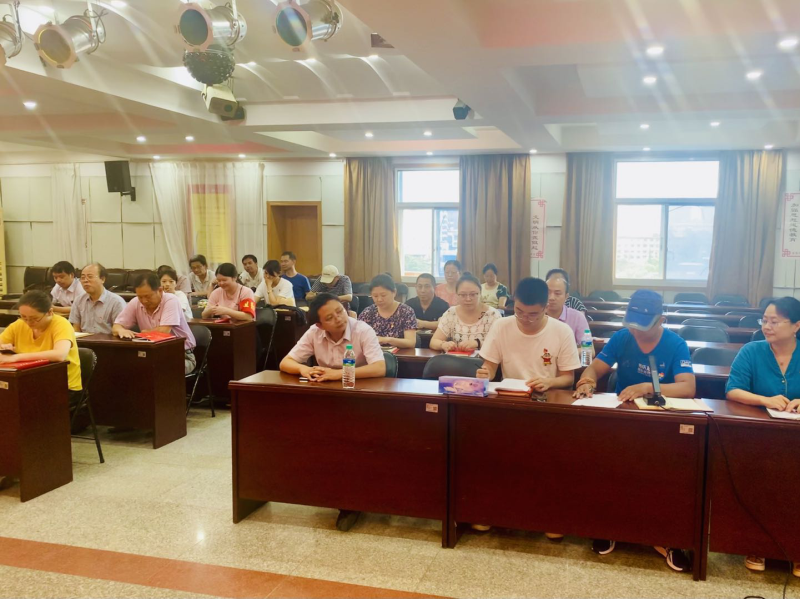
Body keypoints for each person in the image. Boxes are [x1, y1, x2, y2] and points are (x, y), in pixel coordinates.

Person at [573, 289, 695, 572]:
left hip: (661, 426)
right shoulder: (622, 338)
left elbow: (688, 387)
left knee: (665, 476)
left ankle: (668, 537)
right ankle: (608, 527)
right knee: (606, 468)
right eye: (632, 324)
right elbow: (594, 370)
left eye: (643, 326)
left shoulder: (676, 344)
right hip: (623, 422)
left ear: (661, 320)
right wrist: (586, 382)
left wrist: (648, 387)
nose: (636, 331)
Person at [280, 292, 386, 532]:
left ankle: (350, 501)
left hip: (363, 402)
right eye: (330, 317)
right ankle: (331, 491)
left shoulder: (362, 329)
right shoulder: (314, 333)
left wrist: (337, 374)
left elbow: (380, 368)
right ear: (320, 324)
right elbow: (286, 362)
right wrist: (303, 370)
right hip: (327, 402)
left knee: (347, 446)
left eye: (340, 311)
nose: (339, 318)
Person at [726, 297, 800, 576]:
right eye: (764, 320)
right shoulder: (752, 351)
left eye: (775, 321)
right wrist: (763, 399)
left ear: (796, 325)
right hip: (761, 437)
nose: (767, 326)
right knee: (760, 481)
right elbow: (733, 390)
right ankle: (756, 543)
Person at [477, 277, 580, 391]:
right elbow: (490, 366)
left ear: (546, 308)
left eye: (532, 314)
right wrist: (486, 373)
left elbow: (568, 378)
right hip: (512, 394)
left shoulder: (563, 331)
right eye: (519, 311)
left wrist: (549, 382)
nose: (524, 318)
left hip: (546, 395)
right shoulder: (501, 326)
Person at [0, 290, 81, 399]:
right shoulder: (19, 325)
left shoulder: (61, 324)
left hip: (61, 385)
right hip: (28, 381)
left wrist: (16, 357)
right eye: (23, 317)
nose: (28, 322)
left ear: (50, 312)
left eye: (35, 319)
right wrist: (4, 349)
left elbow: (59, 355)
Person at [113, 273, 197, 375]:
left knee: (155, 371)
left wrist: (141, 333)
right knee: (122, 367)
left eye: (148, 296)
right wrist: (121, 330)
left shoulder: (171, 300)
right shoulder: (135, 302)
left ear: (160, 290)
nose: (144, 301)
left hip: (181, 355)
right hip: (150, 354)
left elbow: (163, 332)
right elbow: (116, 327)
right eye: (140, 297)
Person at [430, 273, 501, 352]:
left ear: (480, 293)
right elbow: (434, 341)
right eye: (463, 295)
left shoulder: (492, 315)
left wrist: (478, 343)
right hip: (457, 359)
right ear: (457, 295)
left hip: (485, 359)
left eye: (473, 294)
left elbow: (501, 344)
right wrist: (443, 344)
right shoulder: (451, 313)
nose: (468, 299)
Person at [358, 274, 417, 349]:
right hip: (371, 354)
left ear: (394, 292)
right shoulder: (368, 312)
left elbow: (411, 342)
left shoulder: (406, 311)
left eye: (383, 295)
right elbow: (358, 337)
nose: (379, 299)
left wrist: (387, 340)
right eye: (375, 296)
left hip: (400, 355)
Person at [69, 263, 127, 334]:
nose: (85, 280)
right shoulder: (79, 300)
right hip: (84, 340)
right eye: (83, 277)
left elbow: (120, 330)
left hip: (108, 340)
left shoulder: (116, 302)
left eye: (90, 277)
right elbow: (76, 328)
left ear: (102, 279)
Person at [545, 270, 591, 346]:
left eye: (557, 293)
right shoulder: (536, 315)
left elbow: (588, 348)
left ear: (566, 296)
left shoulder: (577, 317)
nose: (551, 298)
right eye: (548, 293)